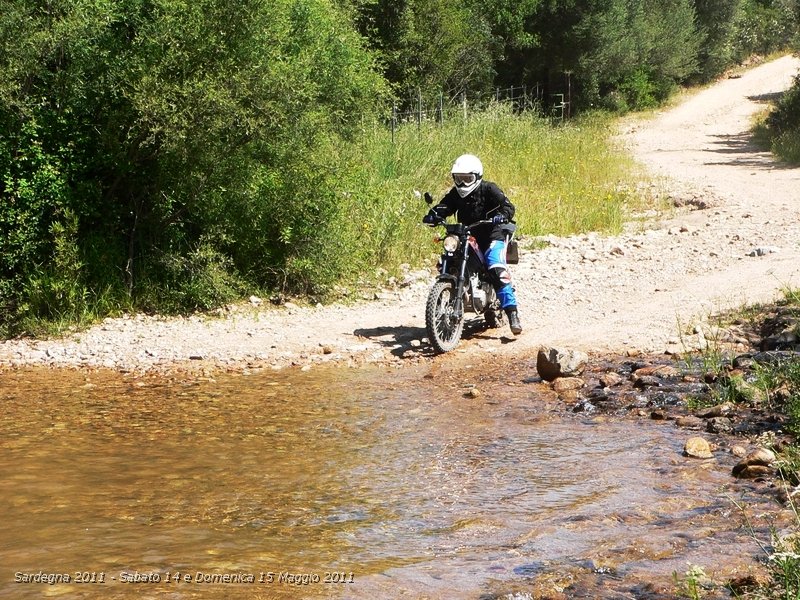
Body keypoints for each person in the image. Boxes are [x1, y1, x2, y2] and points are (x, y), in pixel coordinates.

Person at [422, 153, 522, 335]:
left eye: (467, 179)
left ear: (477, 176)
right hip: (468, 234)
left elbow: (508, 207)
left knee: (495, 267)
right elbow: (445, 206)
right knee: (451, 257)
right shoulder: (455, 194)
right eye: (458, 179)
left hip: (492, 234)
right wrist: (434, 214)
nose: (462, 184)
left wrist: (501, 216)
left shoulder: (489, 189)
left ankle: (512, 312)